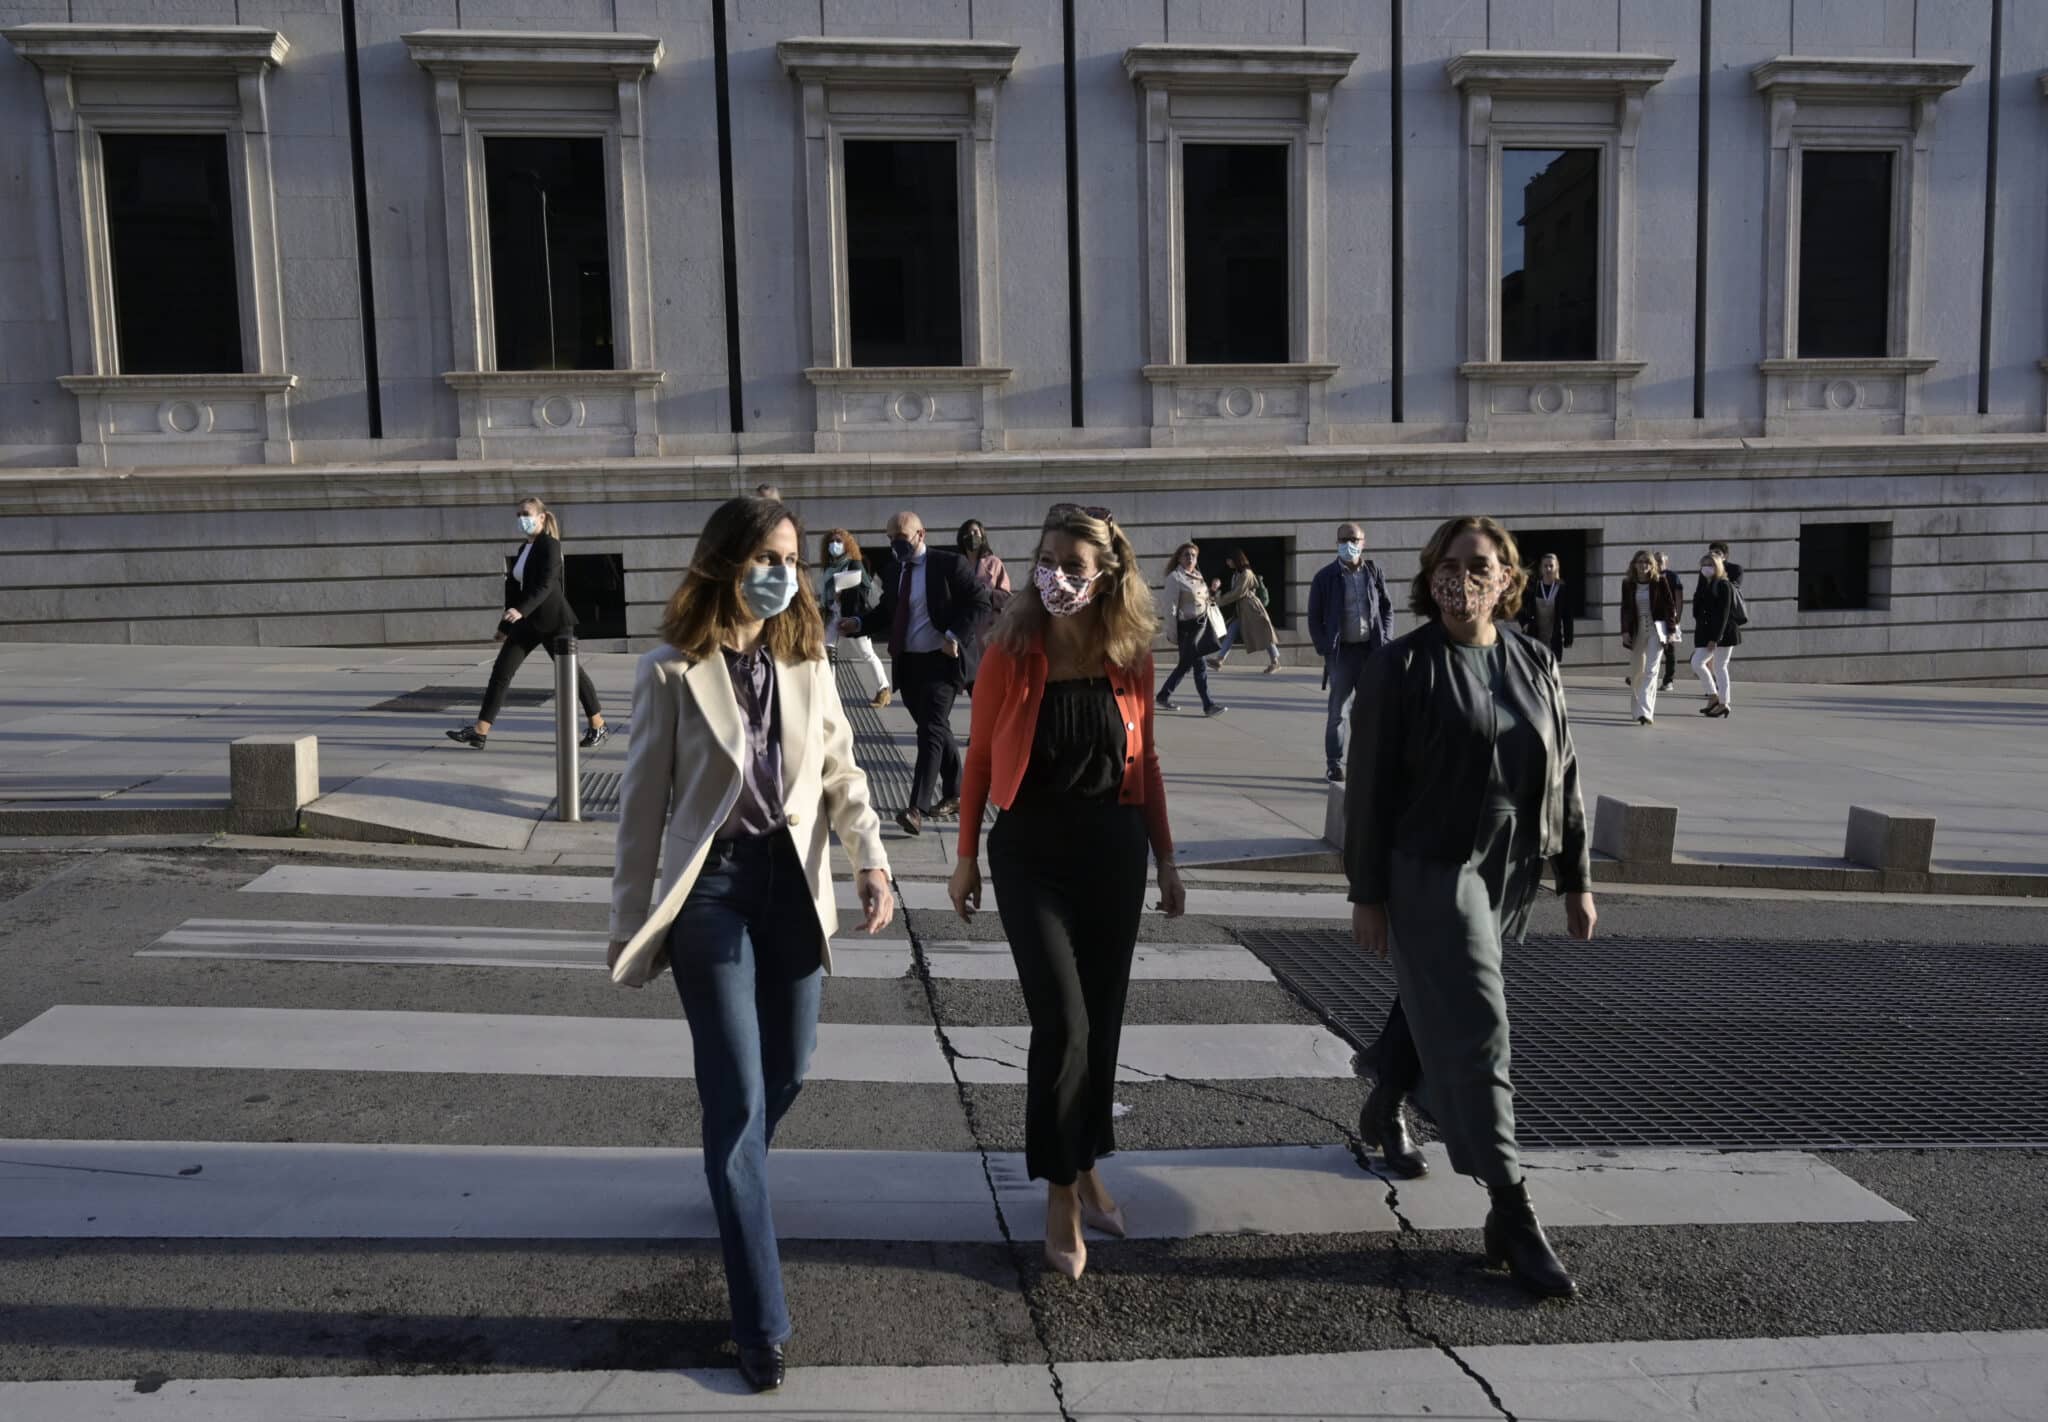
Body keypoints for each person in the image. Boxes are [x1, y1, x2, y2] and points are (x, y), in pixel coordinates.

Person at [606, 495, 896, 1393]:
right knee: (734, 1097)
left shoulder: (807, 660)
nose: (782, 573)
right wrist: (629, 923)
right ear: (725, 561)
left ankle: (736, 1178)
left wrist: (873, 863)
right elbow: (641, 811)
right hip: (714, 894)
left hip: (793, 885)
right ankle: (760, 1322)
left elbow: (843, 771)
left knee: (793, 1066)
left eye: (791, 559)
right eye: (767, 556)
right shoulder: (669, 672)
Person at [1345, 514, 1596, 1298]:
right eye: (1450, 564)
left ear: (1508, 577)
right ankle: (1511, 1210)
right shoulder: (1401, 666)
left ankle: (1385, 1102)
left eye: (1481, 564)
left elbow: (1565, 768)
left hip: (1508, 858)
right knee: (1480, 1016)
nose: (1464, 578)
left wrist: (1577, 875)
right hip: (1429, 860)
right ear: (1430, 575)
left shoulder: (1533, 659)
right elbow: (1368, 792)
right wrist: (1367, 894)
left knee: (1441, 992)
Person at [946, 502, 1185, 1281]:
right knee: (1063, 1022)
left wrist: (1168, 861)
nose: (1054, 577)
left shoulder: (1131, 653)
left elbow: (1144, 765)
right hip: (1030, 854)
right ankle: (1058, 1192)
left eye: (1073, 567)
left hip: (1113, 852)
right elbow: (978, 757)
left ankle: (1086, 1163)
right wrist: (965, 860)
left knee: (1103, 1020)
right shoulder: (1009, 649)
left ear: (1108, 574)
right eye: (1046, 560)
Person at [843, 510, 992, 836]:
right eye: (890, 538)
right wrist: (857, 624)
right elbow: (886, 611)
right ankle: (957, 791)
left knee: (930, 731)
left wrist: (954, 635)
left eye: (902, 537)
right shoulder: (895, 569)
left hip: (943, 661)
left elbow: (980, 602)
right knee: (936, 728)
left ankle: (915, 808)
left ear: (921, 534)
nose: (896, 544)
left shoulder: (948, 565)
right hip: (908, 663)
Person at [447, 495, 607, 750]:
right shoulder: (524, 549)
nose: (522, 519)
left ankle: (598, 724)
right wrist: (505, 626)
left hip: (554, 622)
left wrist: (521, 610)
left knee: (572, 675)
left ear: (541, 517)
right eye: (519, 515)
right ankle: (480, 732)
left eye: (526, 514)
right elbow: (514, 589)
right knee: (501, 673)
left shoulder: (550, 546)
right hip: (527, 624)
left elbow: (546, 585)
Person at [1308, 523, 1392, 782]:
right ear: (1337, 542)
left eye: (1353, 539)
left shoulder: (1373, 572)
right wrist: (1325, 647)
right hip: (1341, 652)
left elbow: (1386, 608)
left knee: (1369, 710)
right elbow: (1314, 617)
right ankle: (1334, 763)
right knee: (1338, 710)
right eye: (1343, 539)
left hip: (1371, 649)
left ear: (1363, 542)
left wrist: (1386, 639)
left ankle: (1365, 761)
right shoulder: (1325, 577)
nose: (1349, 543)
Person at [817, 528, 890, 708]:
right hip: (833, 614)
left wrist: (846, 593)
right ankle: (830, 693)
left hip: (852, 615)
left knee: (866, 653)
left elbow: (866, 587)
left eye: (839, 541)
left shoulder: (854, 564)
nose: (835, 545)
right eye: (831, 541)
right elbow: (825, 591)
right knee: (828, 651)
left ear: (847, 544)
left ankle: (884, 689)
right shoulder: (830, 565)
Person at [1155, 541, 1225, 716]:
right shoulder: (1175, 578)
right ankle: (1208, 705)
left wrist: (1213, 590)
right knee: (1198, 666)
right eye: (1186, 555)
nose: (1190, 558)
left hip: (1201, 626)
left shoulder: (1198, 575)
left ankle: (1163, 695)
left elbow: (1205, 600)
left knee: (1186, 665)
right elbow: (1170, 608)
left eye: (1193, 555)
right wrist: (1172, 633)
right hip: (1186, 629)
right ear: (1179, 558)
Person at [1618, 548, 1679, 726]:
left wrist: (1671, 629)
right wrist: (1624, 631)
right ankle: (1637, 710)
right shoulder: (1628, 583)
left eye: (1647, 562)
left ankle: (1645, 712)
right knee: (1637, 672)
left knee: (1651, 671)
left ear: (1652, 565)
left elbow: (1670, 606)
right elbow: (1625, 609)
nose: (1644, 565)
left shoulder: (1660, 581)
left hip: (1656, 630)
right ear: (1634, 565)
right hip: (1637, 630)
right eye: (1640, 562)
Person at [956, 518, 1013, 692]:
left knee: (991, 682)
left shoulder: (994, 563)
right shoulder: (958, 563)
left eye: (975, 532)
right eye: (968, 533)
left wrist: (985, 593)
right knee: (973, 684)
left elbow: (1006, 597)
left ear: (982, 536)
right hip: (965, 630)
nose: (971, 536)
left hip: (988, 629)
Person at [1211, 548, 1281, 673]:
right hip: (1242, 611)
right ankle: (1219, 660)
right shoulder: (1237, 574)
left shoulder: (1246, 574)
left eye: (1229, 560)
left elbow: (1237, 593)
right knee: (1231, 632)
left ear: (1235, 560)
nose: (1227, 562)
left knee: (1265, 634)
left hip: (1252, 609)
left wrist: (1219, 600)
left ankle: (1275, 662)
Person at [1691, 550, 1741, 718]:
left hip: (1723, 634)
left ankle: (1723, 702)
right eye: (1704, 565)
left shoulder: (1723, 585)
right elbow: (1698, 611)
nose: (1707, 568)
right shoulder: (1706, 584)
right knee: (1698, 663)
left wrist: (1715, 638)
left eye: (1710, 565)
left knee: (1718, 666)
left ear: (1718, 566)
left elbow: (1724, 614)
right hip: (1709, 633)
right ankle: (1714, 697)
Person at [1516, 552, 1573, 662]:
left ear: (1556, 568)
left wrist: (1568, 639)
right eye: (1545, 566)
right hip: (1535, 635)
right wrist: (1525, 623)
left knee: (1551, 668)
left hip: (1553, 637)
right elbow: (1519, 605)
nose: (1548, 569)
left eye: (1551, 566)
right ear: (1541, 569)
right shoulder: (1534, 587)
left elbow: (1567, 616)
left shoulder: (1562, 589)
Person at [1656, 552, 1686, 692]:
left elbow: (1679, 597)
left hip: (1668, 618)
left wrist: (1677, 616)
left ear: (1666, 563)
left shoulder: (1672, 577)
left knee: (1669, 650)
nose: (1657, 564)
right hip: (1653, 618)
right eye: (1655, 561)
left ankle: (1668, 680)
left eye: (1660, 561)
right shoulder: (1649, 576)